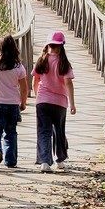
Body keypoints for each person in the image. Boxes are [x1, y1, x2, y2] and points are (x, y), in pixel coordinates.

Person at [32, 31, 76, 173]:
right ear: (61, 46)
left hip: (43, 101)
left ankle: (45, 162)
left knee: (44, 131)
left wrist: (37, 95)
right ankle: (60, 160)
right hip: (60, 103)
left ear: (48, 44)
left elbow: (35, 80)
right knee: (59, 131)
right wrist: (72, 103)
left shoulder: (42, 60)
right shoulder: (64, 63)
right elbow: (68, 82)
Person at [0, 35, 29, 170]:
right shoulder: (18, 67)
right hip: (12, 104)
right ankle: (10, 161)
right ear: (14, 49)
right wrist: (23, 102)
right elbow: (24, 88)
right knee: (11, 132)